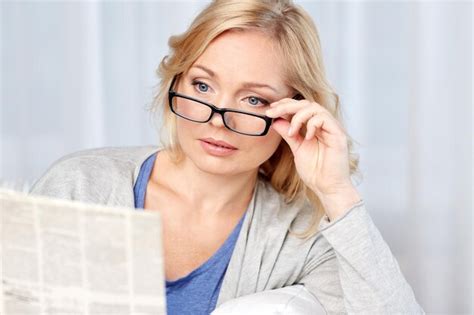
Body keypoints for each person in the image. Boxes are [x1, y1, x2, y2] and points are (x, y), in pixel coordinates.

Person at [30, 0, 425, 314]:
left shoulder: (301, 234)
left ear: (295, 111)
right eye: (202, 85)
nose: (218, 120)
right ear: (176, 80)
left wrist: (337, 191)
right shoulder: (80, 186)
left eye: (254, 99)